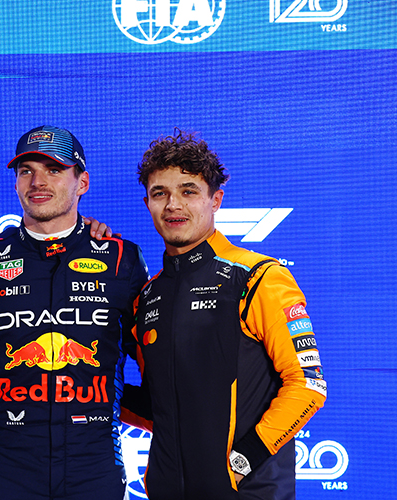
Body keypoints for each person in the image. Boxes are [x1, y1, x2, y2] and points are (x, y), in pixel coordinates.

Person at [0, 126, 149, 500]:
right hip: (10, 466)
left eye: (54, 170)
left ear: (81, 181)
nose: (37, 181)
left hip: (95, 466)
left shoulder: (122, 259)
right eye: (26, 170)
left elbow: (156, 361)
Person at [121, 130, 327, 499]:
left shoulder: (258, 276)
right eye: (160, 193)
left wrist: (245, 459)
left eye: (188, 191)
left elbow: (308, 385)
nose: (173, 205)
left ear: (215, 200)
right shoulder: (147, 297)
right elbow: (160, 407)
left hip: (247, 491)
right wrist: (93, 397)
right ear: (147, 202)